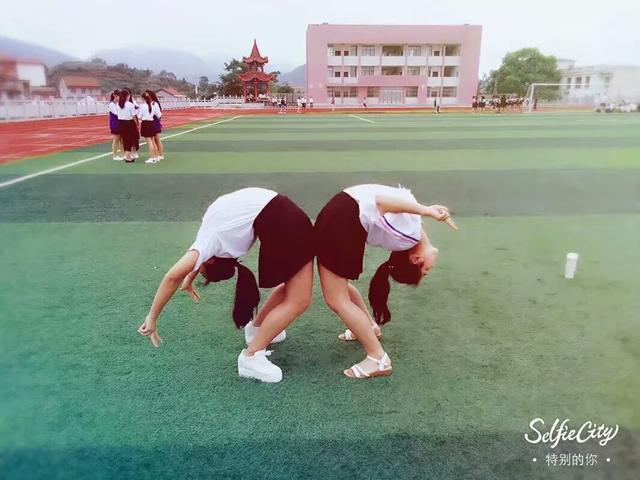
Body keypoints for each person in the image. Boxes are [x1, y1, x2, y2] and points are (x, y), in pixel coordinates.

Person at [138, 188, 316, 383]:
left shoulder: (210, 241)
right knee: (299, 299)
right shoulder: (211, 242)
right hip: (281, 216)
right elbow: (174, 276)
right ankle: (251, 357)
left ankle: (257, 329)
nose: (196, 267)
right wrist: (152, 317)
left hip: (281, 216)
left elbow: (189, 264)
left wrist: (188, 277)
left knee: (293, 289)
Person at [314, 184, 457, 379]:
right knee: (339, 295)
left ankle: (377, 357)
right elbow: (382, 202)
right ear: (416, 259)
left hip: (344, 216)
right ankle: (374, 344)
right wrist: (427, 210)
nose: (428, 270)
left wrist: (426, 211)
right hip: (344, 215)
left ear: (415, 259)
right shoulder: (411, 234)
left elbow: (383, 203)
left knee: (337, 296)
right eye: (426, 271)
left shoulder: (410, 236)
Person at [115, 90, 139, 163]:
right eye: (128, 95)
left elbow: (117, 114)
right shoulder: (130, 104)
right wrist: (137, 124)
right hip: (129, 123)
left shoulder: (118, 104)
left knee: (125, 139)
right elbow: (134, 116)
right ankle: (128, 156)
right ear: (127, 96)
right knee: (131, 139)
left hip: (121, 123)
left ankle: (127, 155)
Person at [138, 92, 161, 164]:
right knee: (153, 141)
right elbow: (158, 114)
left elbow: (139, 116)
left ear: (143, 98)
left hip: (145, 124)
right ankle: (156, 157)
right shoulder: (152, 105)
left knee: (149, 142)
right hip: (151, 123)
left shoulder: (142, 106)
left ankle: (152, 158)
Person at [147, 90, 164, 161]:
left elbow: (158, 114)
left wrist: (158, 120)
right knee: (154, 139)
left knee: (157, 139)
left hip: (154, 121)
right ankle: (157, 155)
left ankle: (160, 155)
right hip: (150, 121)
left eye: (147, 95)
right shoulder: (148, 103)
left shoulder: (154, 103)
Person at [124, 88, 140, 159]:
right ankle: (128, 153)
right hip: (125, 121)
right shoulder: (121, 103)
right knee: (126, 139)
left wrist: (136, 123)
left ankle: (134, 151)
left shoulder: (133, 103)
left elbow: (136, 111)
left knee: (134, 137)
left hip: (133, 120)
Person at [108, 90, 124, 161]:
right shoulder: (111, 104)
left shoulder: (117, 103)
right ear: (115, 96)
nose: (120, 98)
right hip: (115, 123)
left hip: (120, 123)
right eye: (119, 97)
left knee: (121, 140)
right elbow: (116, 113)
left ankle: (123, 154)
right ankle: (114, 155)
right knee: (116, 139)